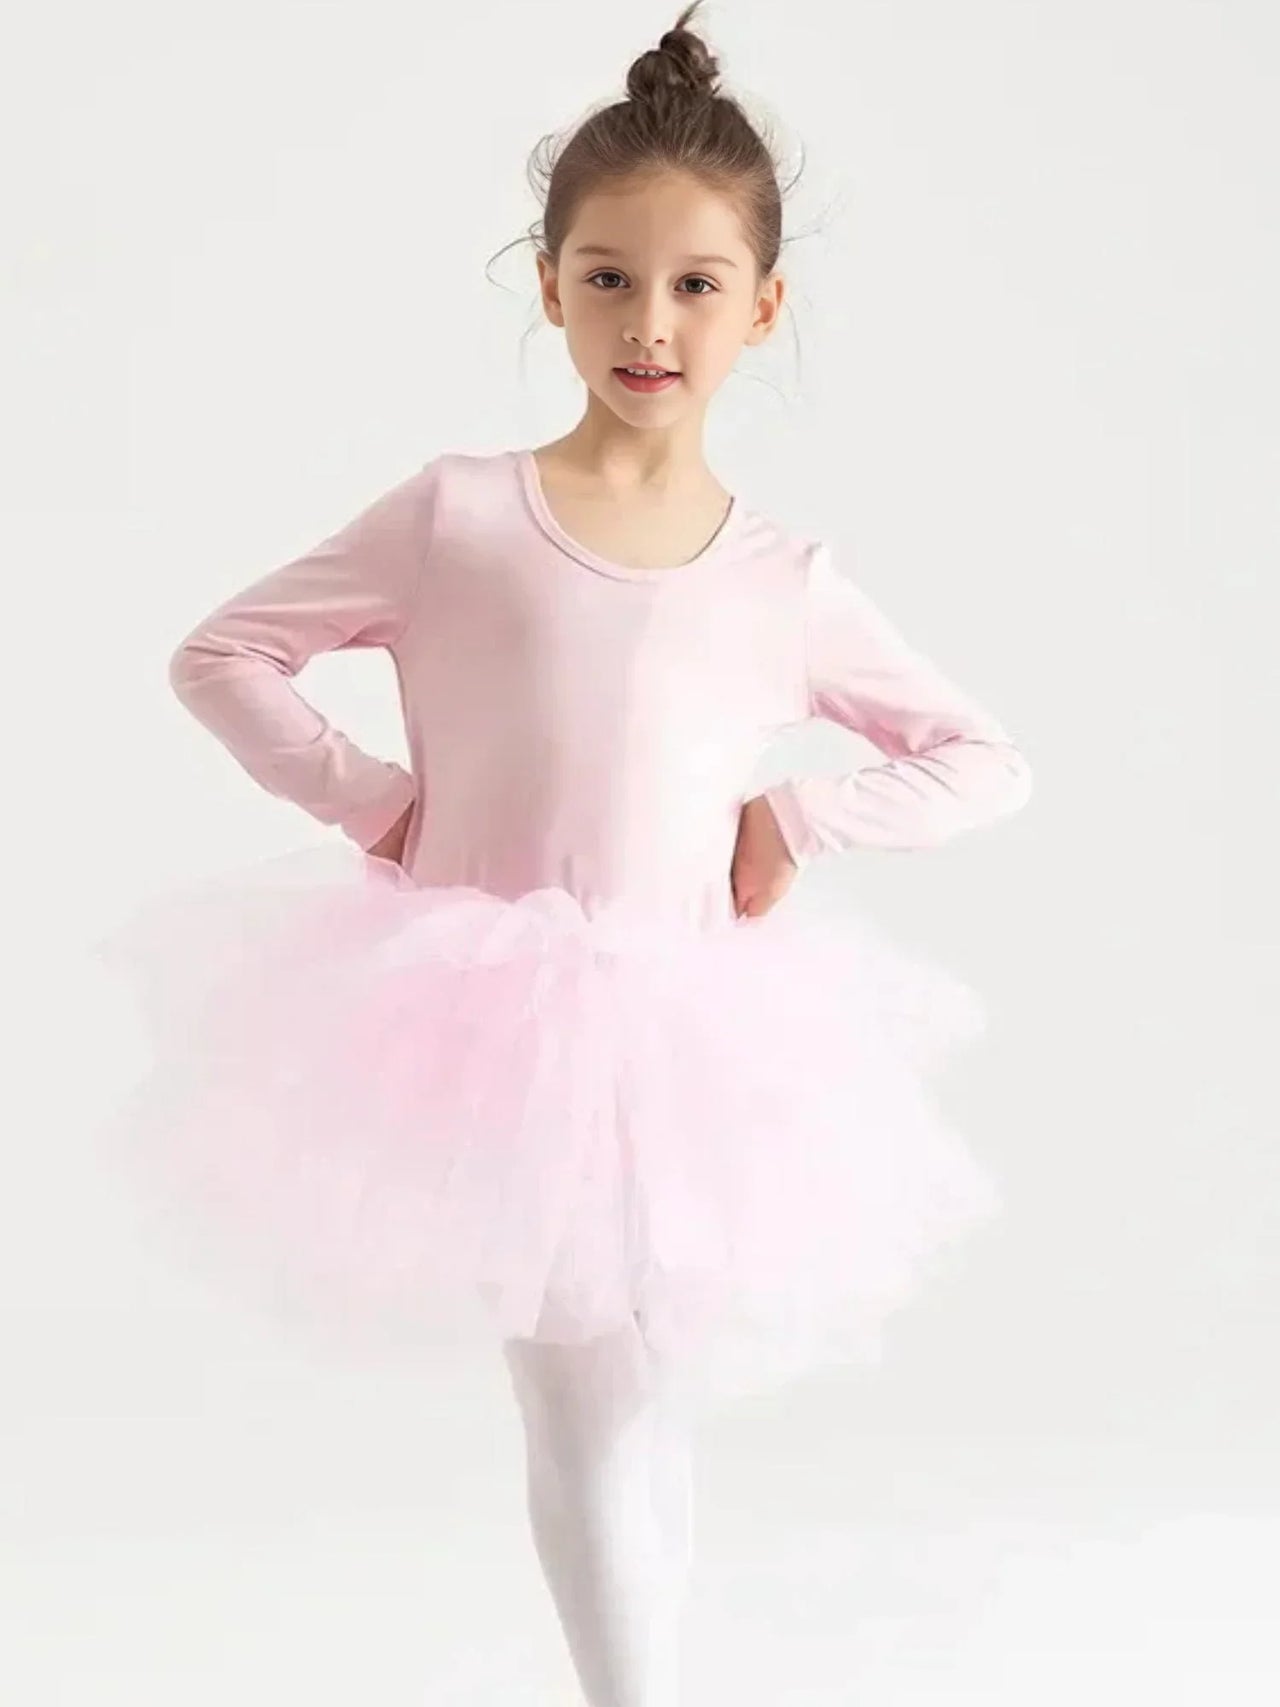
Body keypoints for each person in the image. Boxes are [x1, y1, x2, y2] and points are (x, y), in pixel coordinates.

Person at [93, 5, 1033, 1703]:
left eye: (691, 284)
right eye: (606, 277)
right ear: (546, 287)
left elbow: (981, 757)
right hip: (485, 1022)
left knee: (634, 1404)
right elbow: (222, 654)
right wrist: (376, 802)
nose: (647, 320)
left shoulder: (780, 574)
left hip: (692, 1034)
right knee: (588, 1403)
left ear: (763, 305)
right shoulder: (456, 513)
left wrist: (798, 813)